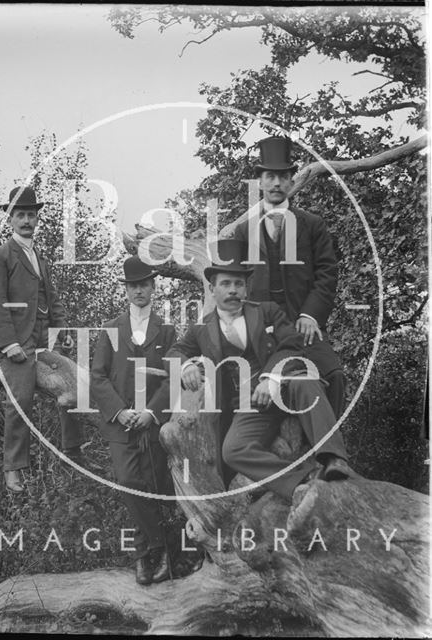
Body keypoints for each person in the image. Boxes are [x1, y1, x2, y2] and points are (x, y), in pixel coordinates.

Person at [166, 239, 352, 502]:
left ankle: (335, 460)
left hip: (286, 387)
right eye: (225, 284)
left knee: (308, 384)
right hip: (249, 404)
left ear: (246, 287)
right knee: (233, 450)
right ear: (212, 288)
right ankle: (303, 477)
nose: (233, 290)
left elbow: (292, 342)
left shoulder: (267, 311)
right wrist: (186, 366)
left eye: (238, 284)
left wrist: (272, 377)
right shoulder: (201, 329)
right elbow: (174, 352)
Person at [233, 136, 345, 418]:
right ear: (260, 181)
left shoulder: (311, 224)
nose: (276, 184)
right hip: (261, 328)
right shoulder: (244, 231)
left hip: (301, 323)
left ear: (291, 181)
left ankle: (327, 454)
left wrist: (310, 315)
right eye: (270, 177)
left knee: (334, 375)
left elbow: (327, 274)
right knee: (228, 387)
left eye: (283, 177)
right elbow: (236, 284)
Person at [0, 186, 84, 494]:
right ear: (10, 219)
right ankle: (13, 468)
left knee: (75, 381)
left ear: (37, 218)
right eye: (21, 215)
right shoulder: (2, 256)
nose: (27, 220)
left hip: (44, 342)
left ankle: (73, 451)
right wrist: (7, 343)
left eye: (31, 214)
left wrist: (62, 331)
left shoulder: (40, 256)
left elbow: (52, 300)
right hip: (18, 343)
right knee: (20, 401)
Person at [90, 256, 176, 586]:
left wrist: (151, 412)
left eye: (144, 284)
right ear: (126, 290)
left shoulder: (166, 330)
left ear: (153, 287)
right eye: (133, 286)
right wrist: (120, 411)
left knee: (154, 485)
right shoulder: (112, 329)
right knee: (128, 481)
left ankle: (150, 559)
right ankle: (155, 548)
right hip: (119, 422)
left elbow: (172, 379)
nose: (139, 290)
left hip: (151, 423)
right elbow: (97, 377)